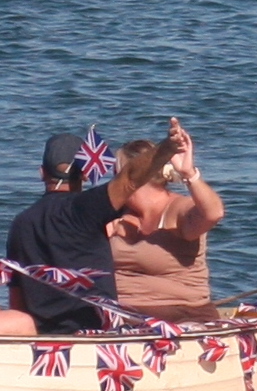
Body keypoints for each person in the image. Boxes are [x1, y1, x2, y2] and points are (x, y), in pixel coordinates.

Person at [2, 132, 155, 337]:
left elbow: (17, 296)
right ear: (85, 174)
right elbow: (130, 179)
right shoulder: (88, 208)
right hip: (95, 330)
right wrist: (169, 148)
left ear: (41, 173)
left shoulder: (21, 223)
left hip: (42, 332)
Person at [110, 122, 224, 324]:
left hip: (181, 315)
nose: (111, 181)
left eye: (115, 173)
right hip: (118, 314)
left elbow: (213, 214)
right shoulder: (114, 213)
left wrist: (189, 174)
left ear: (132, 176)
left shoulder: (178, 210)